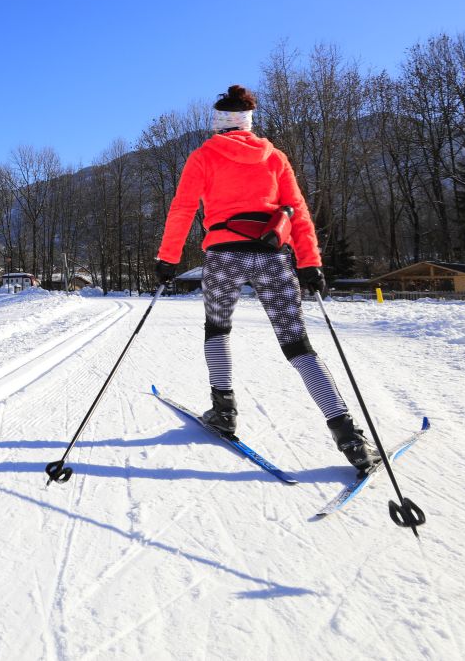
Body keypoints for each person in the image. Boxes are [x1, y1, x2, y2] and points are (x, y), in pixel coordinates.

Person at [153, 84, 381, 473]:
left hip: (223, 257)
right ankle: (349, 437)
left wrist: (167, 257)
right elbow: (297, 210)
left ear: (218, 123)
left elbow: (183, 207)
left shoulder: (203, 155)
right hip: (272, 257)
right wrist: (310, 262)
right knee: (298, 346)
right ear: (248, 122)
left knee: (217, 330)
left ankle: (224, 411)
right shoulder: (274, 157)